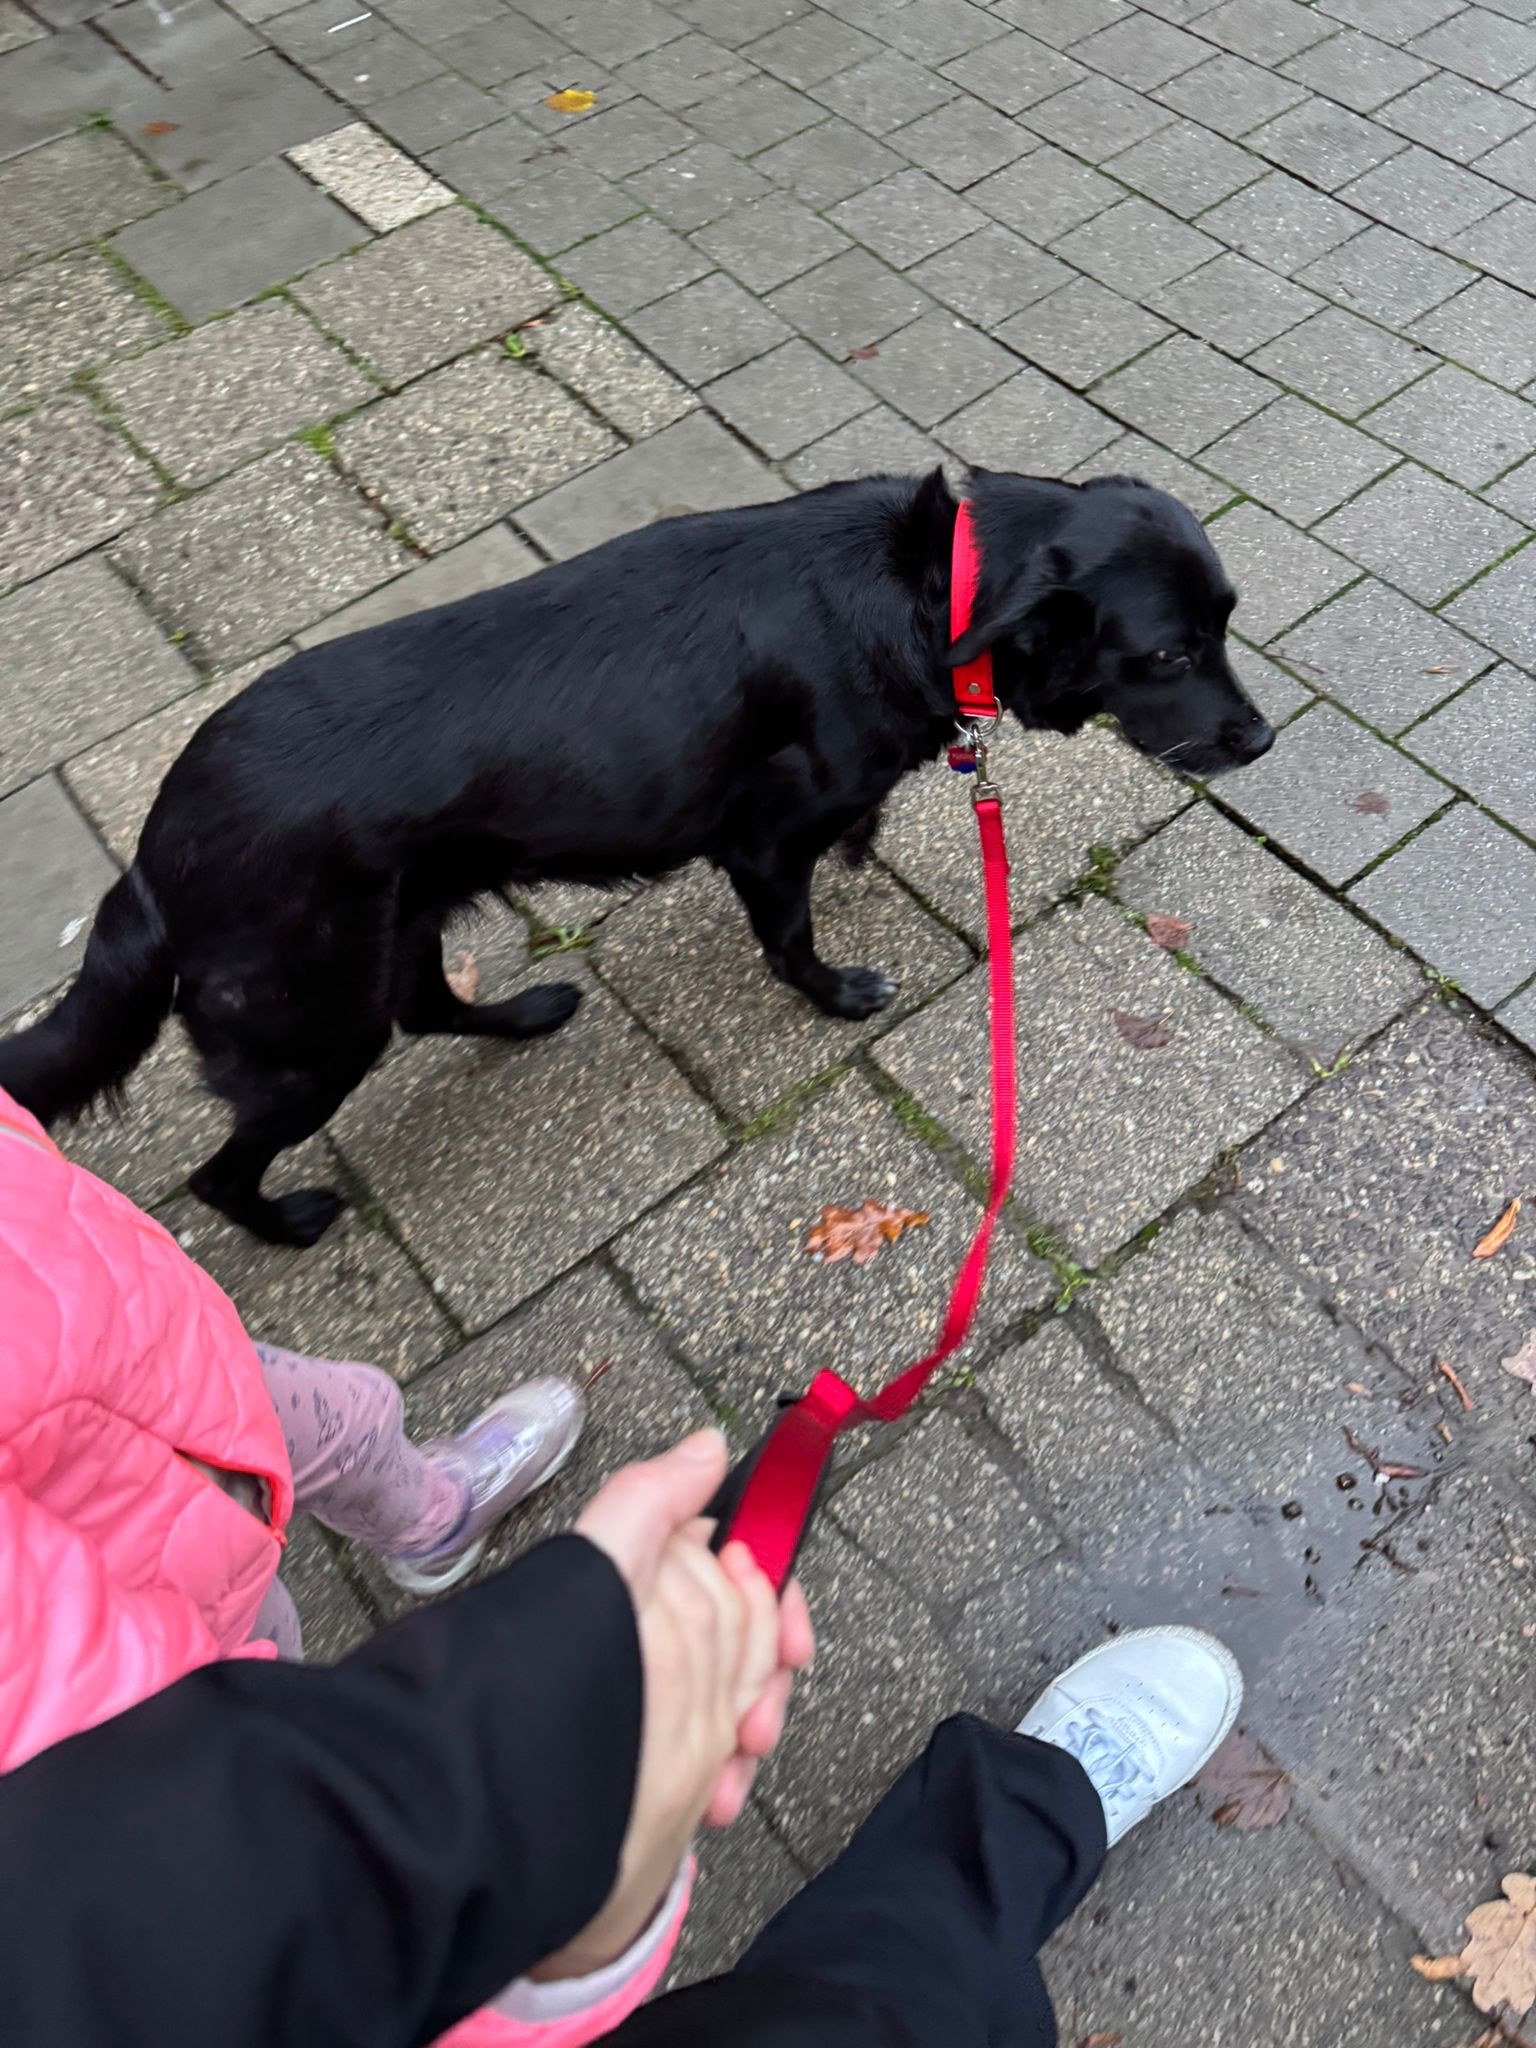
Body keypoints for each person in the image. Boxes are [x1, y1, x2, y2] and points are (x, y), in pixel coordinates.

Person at [1, 1082, 816, 2042]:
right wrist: (556, 1901)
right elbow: (188, 1909)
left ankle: (433, 1516)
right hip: (141, 1589)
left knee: (345, 1421)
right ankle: (321, 1676)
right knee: (252, 1669)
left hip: (129, 1329)